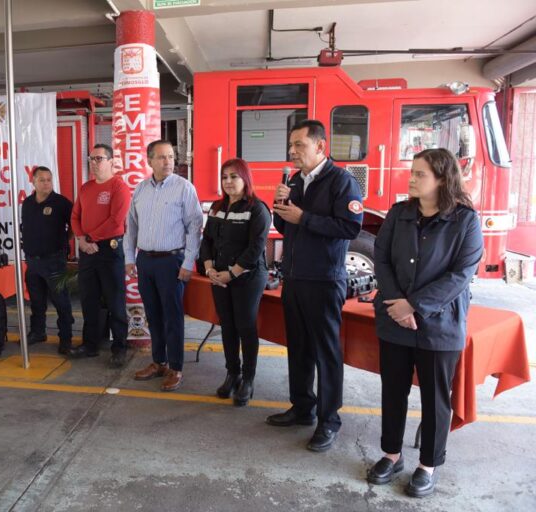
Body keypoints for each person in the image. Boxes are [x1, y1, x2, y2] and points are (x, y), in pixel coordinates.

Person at [366, 148, 483, 498]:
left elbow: (461, 275)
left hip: (440, 324)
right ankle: (391, 454)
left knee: (435, 399)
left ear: (443, 179)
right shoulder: (399, 213)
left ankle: (428, 464)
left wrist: (414, 307)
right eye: (412, 172)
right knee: (393, 391)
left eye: (420, 174)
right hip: (394, 321)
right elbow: (381, 259)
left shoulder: (465, 220)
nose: (411, 179)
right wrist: (398, 306)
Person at [268, 119, 363, 452]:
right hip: (294, 278)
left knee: (326, 353)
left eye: (299, 145)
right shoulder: (294, 181)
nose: (293, 152)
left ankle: (328, 420)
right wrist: (279, 205)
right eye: (291, 146)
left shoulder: (341, 181)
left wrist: (303, 217)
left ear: (320, 146)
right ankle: (302, 408)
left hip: (324, 280)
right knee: (299, 348)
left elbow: (350, 227)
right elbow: (283, 223)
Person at [127, 140, 202, 392]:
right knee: (153, 314)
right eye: (161, 157)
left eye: (171, 156)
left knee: (172, 317)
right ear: (149, 161)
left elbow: (194, 228)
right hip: (145, 261)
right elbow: (131, 228)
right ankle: (158, 361)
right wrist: (129, 258)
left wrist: (189, 261)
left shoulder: (184, 188)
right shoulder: (140, 189)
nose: (168, 161)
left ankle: (176, 367)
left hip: (172, 261)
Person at [199, 158, 270, 406]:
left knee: (245, 326)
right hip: (218, 276)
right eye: (225, 177)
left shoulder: (257, 208)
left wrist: (231, 273)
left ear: (245, 179)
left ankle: (248, 380)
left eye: (234, 177)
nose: (228, 182)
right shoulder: (217, 207)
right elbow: (206, 240)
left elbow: (255, 249)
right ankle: (233, 373)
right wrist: (209, 269)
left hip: (247, 277)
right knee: (227, 325)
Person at [70, 144, 131, 367]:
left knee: (115, 300)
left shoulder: (119, 187)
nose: (94, 163)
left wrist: (90, 239)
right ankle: (90, 344)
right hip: (87, 250)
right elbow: (75, 216)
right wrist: (81, 240)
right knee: (88, 300)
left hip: (109, 250)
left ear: (111, 161)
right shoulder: (85, 188)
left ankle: (120, 347)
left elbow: (116, 221)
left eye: (99, 159)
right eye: (91, 159)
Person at [20, 166, 74, 354]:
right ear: (33, 182)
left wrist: (63, 242)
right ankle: (37, 332)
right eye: (42, 180)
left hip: (54, 261)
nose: (46, 183)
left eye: (49, 179)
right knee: (36, 302)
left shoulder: (61, 203)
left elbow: (75, 225)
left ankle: (66, 339)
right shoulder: (27, 203)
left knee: (62, 302)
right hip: (32, 262)